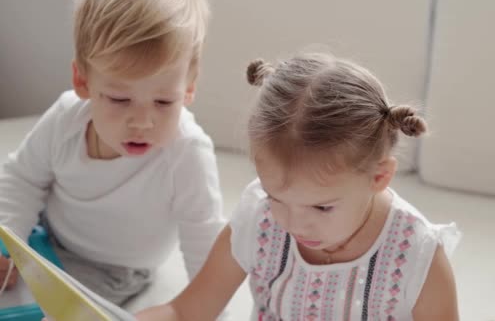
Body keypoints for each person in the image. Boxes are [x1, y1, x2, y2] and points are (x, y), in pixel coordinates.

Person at [136, 52, 461, 320]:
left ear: (379, 177)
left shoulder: (417, 256)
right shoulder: (259, 218)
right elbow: (185, 311)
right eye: (275, 197)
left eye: (322, 207)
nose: (292, 223)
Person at [0, 0, 225, 306]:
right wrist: (9, 243)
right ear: (83, 81)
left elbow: (204, 242)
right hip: (43, 232)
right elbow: (23, 178)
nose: (142, 122)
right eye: (120, 99)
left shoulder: (187, 153)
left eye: (163, 102)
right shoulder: (66, 119)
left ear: (188, 88)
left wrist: (208, 311)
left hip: (112, 269)